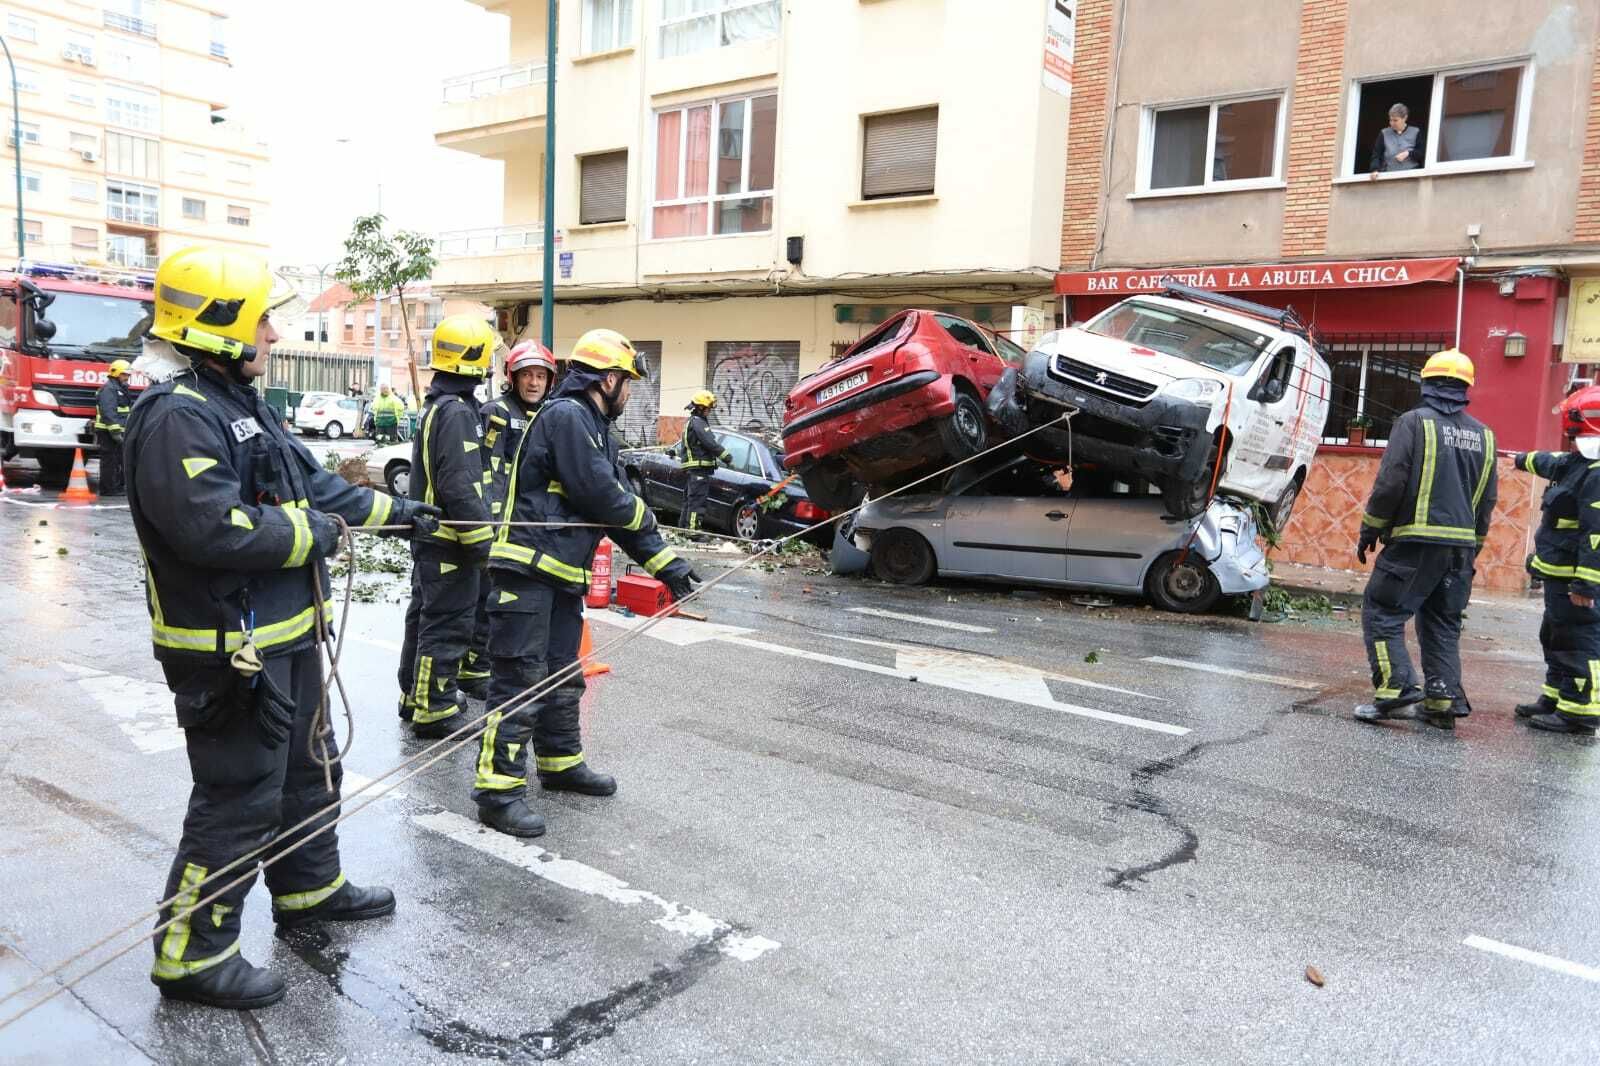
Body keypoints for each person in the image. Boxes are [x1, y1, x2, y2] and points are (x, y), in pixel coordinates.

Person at [123, 246, 438, 1010]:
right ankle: (190, 955)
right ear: (220, 324)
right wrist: (317, 533)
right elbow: (217, 531)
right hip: (228, 651)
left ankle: (309, 888)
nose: (270, 331)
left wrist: (401, 515)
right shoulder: (176, 418)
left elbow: (316, 485)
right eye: (260, 317)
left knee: (308, 771)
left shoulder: (240, 406)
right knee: (238, 795)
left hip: (285, 637)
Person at [473, 329, 701, 837]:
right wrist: (666, 561)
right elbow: (604, 496)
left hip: (555, 578)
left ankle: (559, 762)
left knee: (560, 675)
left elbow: (618, 505)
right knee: (520, 680)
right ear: (610, 378)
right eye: (628, 384)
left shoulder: (594, 429)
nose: (629, 394)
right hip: (526, 573)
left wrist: (669, 566)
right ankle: (497, 791)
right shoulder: (567, 416)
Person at [1354, 349, 1496, 730]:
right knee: (1442, 622)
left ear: (1427, 383)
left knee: (1382, 612)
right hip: (1460, 550)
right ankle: (1440, 701)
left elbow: (1390, 482)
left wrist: (1371, 528)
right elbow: (1488, 500)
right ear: (1467, 388)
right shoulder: (1485, 436)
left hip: (1415, 544)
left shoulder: (1413, 422)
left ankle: (1395, 689)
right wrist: (1473, 548)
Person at [397, 315, 497, 738]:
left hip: (431, 540)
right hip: (450, 542)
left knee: (423, 618)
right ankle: (434, 708)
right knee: (447, 625)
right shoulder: (456, 413)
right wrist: (483, 546)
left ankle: (413, 695)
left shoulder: (439, 405)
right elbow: (460, 486)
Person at [463, 340, 559, 699]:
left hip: (528, 530)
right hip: (497, 527)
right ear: (513, 377)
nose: (534, 383)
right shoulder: (496, 413)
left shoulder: (550, 416)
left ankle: (483, 664)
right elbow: (485, 472)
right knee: (488, 599)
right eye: (527, 376)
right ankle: (472, 668)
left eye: (540, 376)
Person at [1510, 386, 1600, 736]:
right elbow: (1551, 462)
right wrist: (1519, 459)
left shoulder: (1597, 475)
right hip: (1559, 576)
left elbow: (1596, 536)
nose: (1567, 437)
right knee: (1555, 636)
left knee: (1579, 641)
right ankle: (1556, 698)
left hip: (1576, 581)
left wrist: (1586, 584)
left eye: (1572, 432)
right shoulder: (1580, 463)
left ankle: (1579, 712)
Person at [678, 390, 731, 534]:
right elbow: (710, 443)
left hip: (693, 470)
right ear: (701, 408)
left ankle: (683, 529)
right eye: (708, 408)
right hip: (699, 469)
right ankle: (693, 532)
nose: (709, 411)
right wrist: (727, 457)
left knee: (689, 501)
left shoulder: (692, 422)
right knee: (697, 502)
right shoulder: (699, 423)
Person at [94, 358, 134, 496]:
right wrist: (115, 432)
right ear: (116, 373)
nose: (127, 377)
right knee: (109, 461)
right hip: (108, 431)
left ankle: (116, 487)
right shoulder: (109, 389)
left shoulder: (119, 388)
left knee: (118, 460)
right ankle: (108, 489)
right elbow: (108, 412)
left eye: (128, 375)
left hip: (117, 431)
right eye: (125, 374)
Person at [1369, 103, 1425, 176]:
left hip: (1411, 175)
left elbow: (1421, 153)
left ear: (1405, 118)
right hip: (1389, 175)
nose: (1392, 123)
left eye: (1395, 120)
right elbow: (1376, 155)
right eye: (1390, 120)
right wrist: (1374, 169)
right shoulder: (1384, 133)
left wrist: (1408, 153)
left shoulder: (1415, 131)